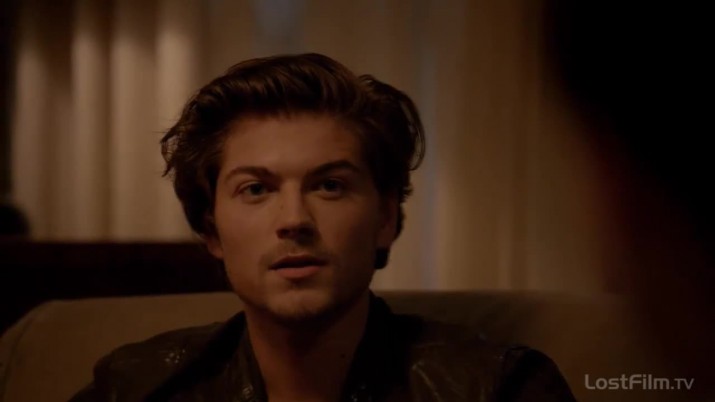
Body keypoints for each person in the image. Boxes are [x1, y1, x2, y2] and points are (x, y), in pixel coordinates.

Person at [70, 53, 575, 402]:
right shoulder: (135, 387)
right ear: (212, 232)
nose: (294, 220)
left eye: (330, 186)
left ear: (385, 219)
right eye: (256, 189)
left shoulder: (499, 388)